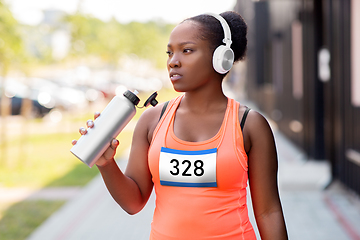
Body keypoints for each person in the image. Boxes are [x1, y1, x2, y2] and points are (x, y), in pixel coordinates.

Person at [72, 11, 288, 240]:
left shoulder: (249, 125)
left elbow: (268, 212)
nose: (173, 61)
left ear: (221, 58)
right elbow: (133, 203)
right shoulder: (152, 120)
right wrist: (106, 163)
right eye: (169, 52)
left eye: (186, 50)